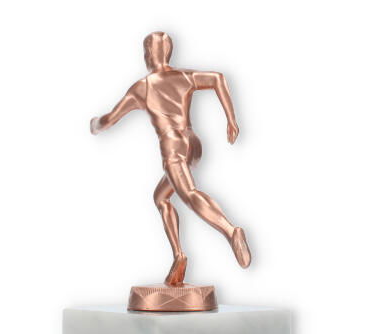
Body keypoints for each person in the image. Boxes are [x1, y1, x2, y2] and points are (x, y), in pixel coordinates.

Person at [91, 32, 251, 286]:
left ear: (149, 54)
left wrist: (95, 125)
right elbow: (217, 78)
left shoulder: (143, 87)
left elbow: (109, 119)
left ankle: (231, 231)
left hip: (172, 146)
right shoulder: (183, 76)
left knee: (189, 194)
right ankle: (179, 256)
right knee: (161, 197)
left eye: (146, 51)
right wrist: (231, 120)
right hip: (193, 144)